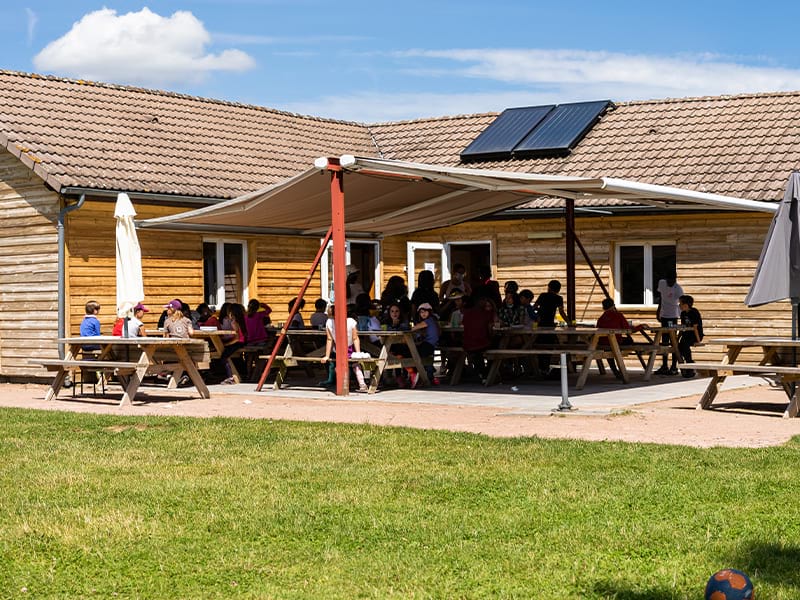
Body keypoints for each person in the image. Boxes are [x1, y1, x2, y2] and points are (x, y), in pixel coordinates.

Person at [319, 305, 368, 392]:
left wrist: (327, 355)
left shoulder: (329, 322)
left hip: (338, 349)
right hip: (350, 348)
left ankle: (344, 384)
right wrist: (358, 352)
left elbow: (329, 339)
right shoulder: (351, 321)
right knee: (356, 366)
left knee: (338, 366)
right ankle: (362, 384)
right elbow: (355, 338)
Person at [595, 298, 636, 379]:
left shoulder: (601, 318)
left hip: (603, 342)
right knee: (628, 341)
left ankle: (615, 370)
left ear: (603, 308)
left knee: (609, 347)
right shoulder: (618, 315)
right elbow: (628, 330)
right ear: (613, 306)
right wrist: (641, 326)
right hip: (616, 342)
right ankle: (620, 369)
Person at [461, 296, 497, 382]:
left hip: (468, 344)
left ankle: (484, 374)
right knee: (497, 348)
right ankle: (488, 373)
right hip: (482, 342)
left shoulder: (468, 313)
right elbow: (490, 329)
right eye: (486, 306)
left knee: (477, 354)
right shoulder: (488, 314)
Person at [655, 270, 684, 375]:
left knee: (673, 341)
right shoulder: (662, 283)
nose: (669, 283)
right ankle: (664, 366)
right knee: (664, 342)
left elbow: (681, 304)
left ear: (675, 280)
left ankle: (674, 366)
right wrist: (658, 311)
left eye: (672, 281)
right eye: (668, 281)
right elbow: (661, 298)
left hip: (673, 317)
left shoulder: (678, 289)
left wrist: (682, 317)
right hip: (664, 316)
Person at [220, 303, 247, 384]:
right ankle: (240, 374)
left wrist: (227, 344)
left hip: (239, 342)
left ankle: (230, 377)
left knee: (224, 357)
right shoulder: (243, 318)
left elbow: (237, 337)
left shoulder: (234, 321)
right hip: (243, 341)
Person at [678, 294, 703, 378]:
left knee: (684, 345)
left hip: (695, 334)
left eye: (680, 304)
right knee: (677, 347)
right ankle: (681, 366)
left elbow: (695, 327)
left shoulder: (694, 312)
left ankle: (690, 366)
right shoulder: (683, 314)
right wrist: (677, 338)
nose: (679, 305)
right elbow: (683, 327)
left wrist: (698, 340)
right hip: (686, 334)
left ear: (685, 305)